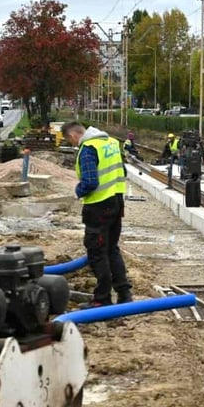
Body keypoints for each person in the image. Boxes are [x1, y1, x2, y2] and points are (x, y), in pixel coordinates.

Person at [62, 121, 132, 308]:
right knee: (111, 249)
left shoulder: (88, 148)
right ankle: (124, 294)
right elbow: (123, 171)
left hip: (98, 206)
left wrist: (76, 192)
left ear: (73, 136)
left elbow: (91, 182)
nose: (73, 145)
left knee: (97, 252)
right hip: (116, 201)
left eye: (70, 142)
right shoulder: (110, 142)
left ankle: (102, 299)